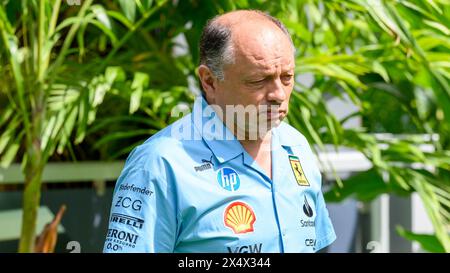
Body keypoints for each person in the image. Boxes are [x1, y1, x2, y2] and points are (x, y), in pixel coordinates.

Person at [103, 9, 336, 253]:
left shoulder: (296, 146)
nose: (278, 94)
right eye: (258, 80)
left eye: (287, 77)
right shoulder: (160, 164)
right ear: (209, 81)